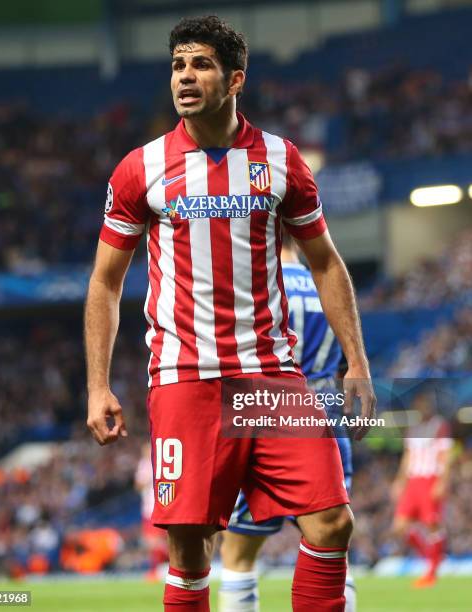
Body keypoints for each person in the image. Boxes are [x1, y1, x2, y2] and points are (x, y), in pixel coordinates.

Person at [85, 15, 375, 611]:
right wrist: (97, 386)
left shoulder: (280, 159)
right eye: (177, 66)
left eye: (201, 64)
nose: (185, 77)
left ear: (235, 78)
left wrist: (357, 362)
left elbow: (326, 263)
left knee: (332, 525)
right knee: (191, 552)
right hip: (184, 379)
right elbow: (105, 282)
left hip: (269, 375)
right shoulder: (141, 168)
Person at [219, 235, 356, 612]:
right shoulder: (327, 281)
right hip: (325, 420)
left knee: (238, 554)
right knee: (332, 551)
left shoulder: (255, 281)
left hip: (265, 419)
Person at [391, 391, 453, 588]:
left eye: (425, 404)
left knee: (432, 525)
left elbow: (446, 454)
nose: (422, 408)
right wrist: (400, 481)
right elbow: (407, 457)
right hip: (413, 481)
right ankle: (432, 558)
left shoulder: (439, 426)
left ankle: (432, 572)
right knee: (399, 527)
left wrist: (442, 480)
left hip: (430, 478)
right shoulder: (413, 429)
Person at [136, 442, 169, 581]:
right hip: (149, 508)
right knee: (152, 541)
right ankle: (155, 570)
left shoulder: (164, 461)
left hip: (164, 506)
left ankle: (167, 569)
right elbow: (138, 485)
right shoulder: (144, 464)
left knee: (164, 541)